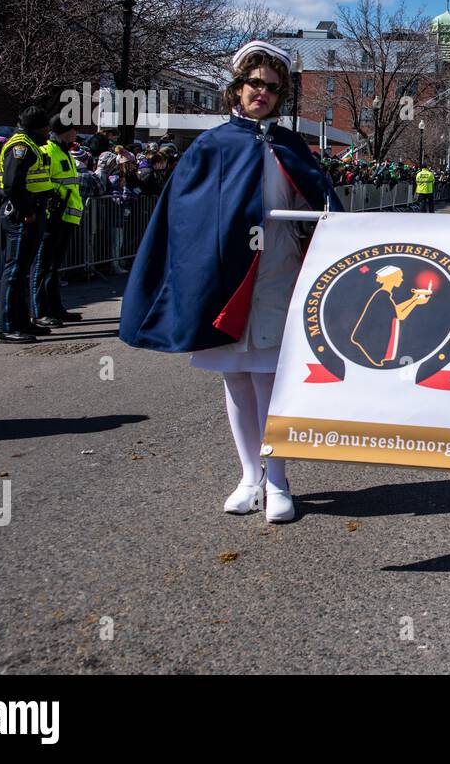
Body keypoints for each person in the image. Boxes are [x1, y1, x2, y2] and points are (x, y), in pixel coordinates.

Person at [119, 40, 341, 524]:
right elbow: (184, 217)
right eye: (255, 84)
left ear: (281, 96)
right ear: (239, 88)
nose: (262, 93)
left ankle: (278, 480)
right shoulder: (212, 144)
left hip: (279, 272)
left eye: (273, 88)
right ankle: (249, 477)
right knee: (236, 377)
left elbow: (320, 205)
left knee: (270, 379)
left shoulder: (291, 144)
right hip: (226, 277)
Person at [0, 107, 55, 343]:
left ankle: (22, 322)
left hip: (32, 212)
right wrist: (28, 212)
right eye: (45, 127)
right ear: (36, 127)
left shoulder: (30, 144)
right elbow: (12, 184)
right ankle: (8, 327)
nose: (48, 132)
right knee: (14, 272)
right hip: (22, 216)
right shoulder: (21, 146)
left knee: (21, 273)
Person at [32, 116, 85, 326]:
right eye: (74, 129)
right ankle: (40, 311)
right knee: (43, 266)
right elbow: (41, 180)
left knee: (54, 266)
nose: (76, 133)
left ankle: (55, 308)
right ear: (65, 130)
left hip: (66, 216)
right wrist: (53, 200)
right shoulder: (47, 151)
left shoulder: (64, 151)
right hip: (53, 217)